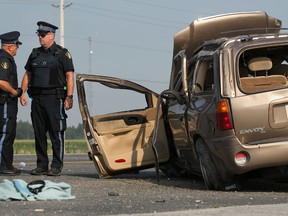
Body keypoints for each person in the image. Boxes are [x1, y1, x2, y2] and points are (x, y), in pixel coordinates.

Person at [20, 21, 74, 176]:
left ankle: (56, 165)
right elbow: (28, 74)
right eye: (39, 35)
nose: (40, 38)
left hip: (54, 98)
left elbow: (69, 76)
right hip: (36, 99)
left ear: (52, 35)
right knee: (39, 132)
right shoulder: (34, 53)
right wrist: (22, 92)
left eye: (43, 35)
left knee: (56, 132)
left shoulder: (62, 53)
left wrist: (69, 96)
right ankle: (42, 165)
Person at [0, 31, 23, 175]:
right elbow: (1, 82)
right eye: (16, 45)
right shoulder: (4, 59)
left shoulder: (6, 58)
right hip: (6, 101)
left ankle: (7, 164)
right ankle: (3, 166)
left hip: (8, 102)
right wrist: (14, 92)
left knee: (9, 133)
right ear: (10, 47)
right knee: (5, 133)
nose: (17, 48)